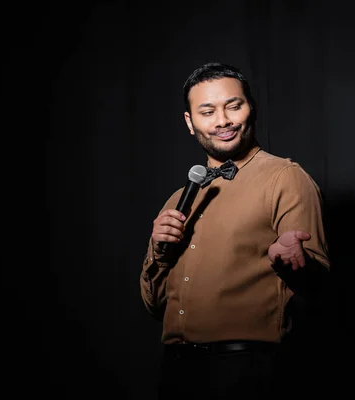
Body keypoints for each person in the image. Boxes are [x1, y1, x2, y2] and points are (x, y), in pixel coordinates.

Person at [139, 62, 330, 399]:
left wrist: (292, 260)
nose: (222, 120)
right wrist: (158, 248)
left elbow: (319, 286)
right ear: (190, 122)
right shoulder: (176, 199)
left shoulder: (285, 177)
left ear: (250, 108)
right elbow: (154, 306)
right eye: (207, 111)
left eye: (233, 105)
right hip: (177, 370)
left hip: (247, 370)